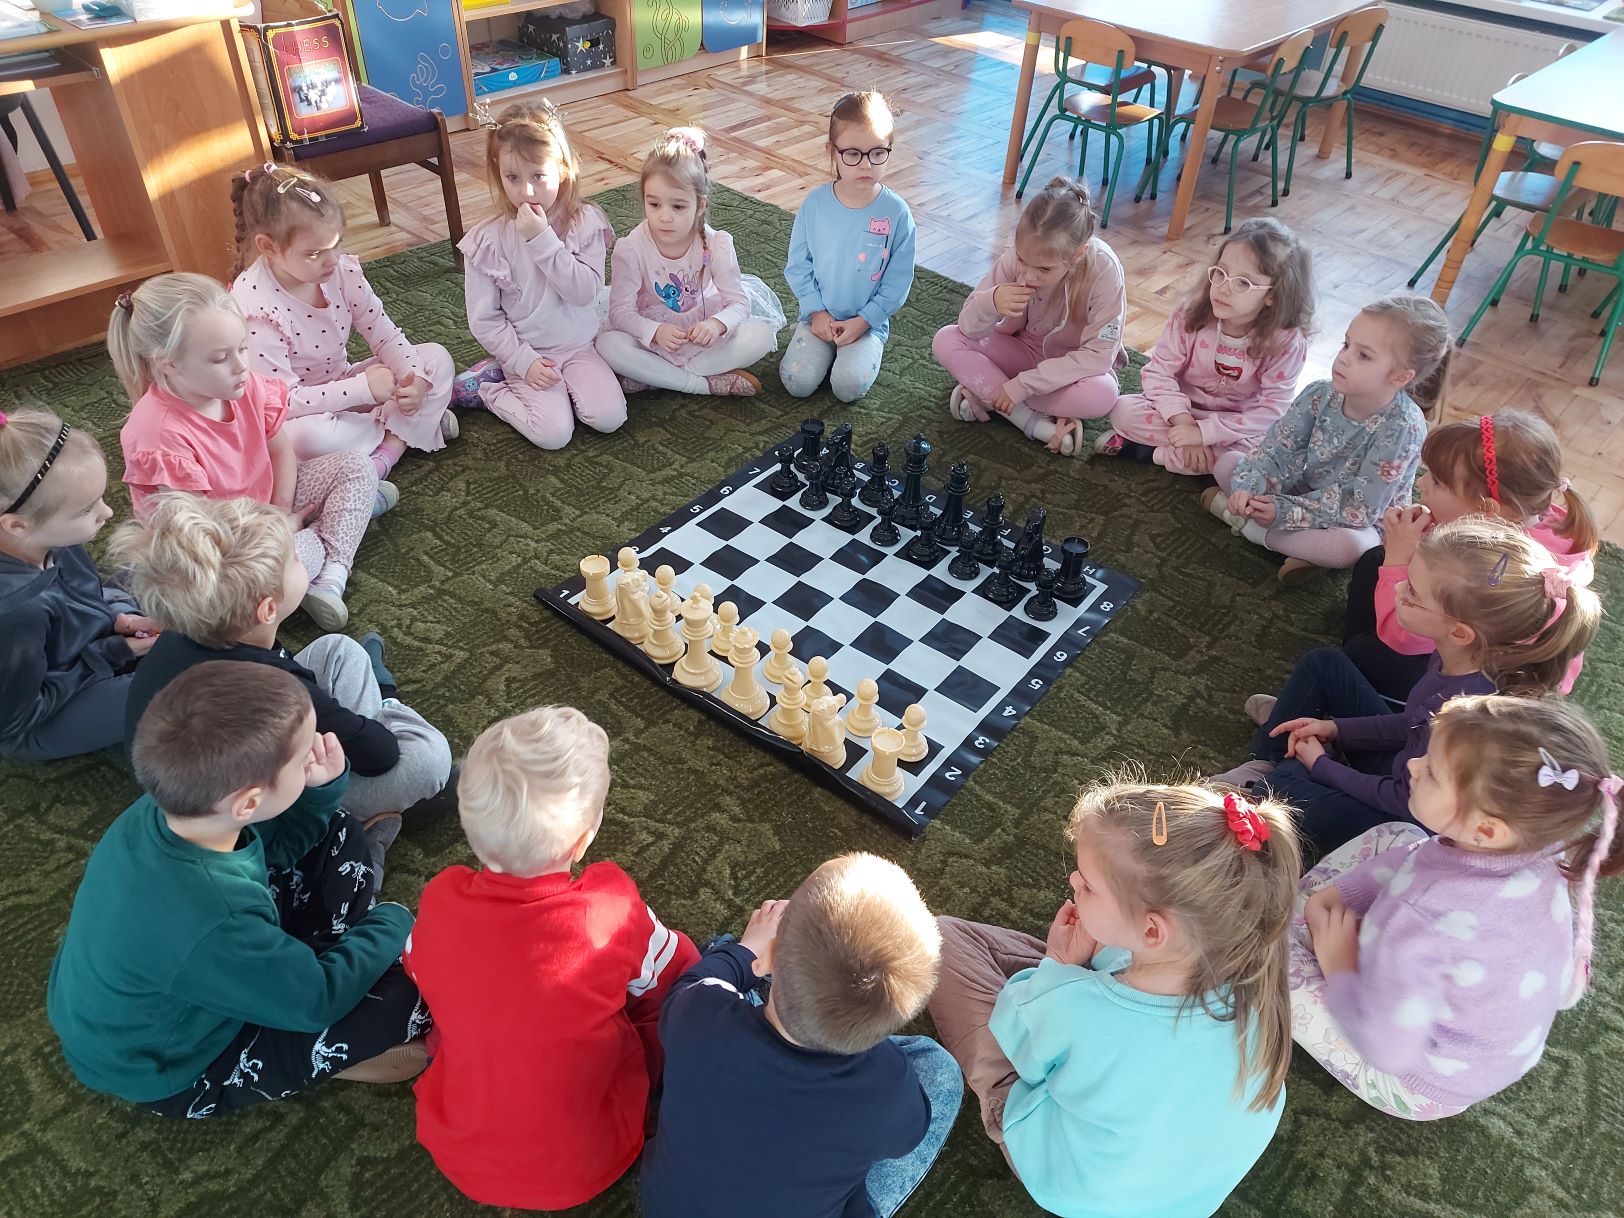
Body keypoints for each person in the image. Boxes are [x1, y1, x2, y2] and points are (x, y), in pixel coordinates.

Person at [46, 662, 428, 1118]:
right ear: (248, 802)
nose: (318, 748)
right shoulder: (209, 914)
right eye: (302, 755)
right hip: (172, 1066)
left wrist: (320, 790)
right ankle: (310, 1016)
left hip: (182, 981)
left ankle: (296, 969)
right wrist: (396, 919)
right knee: (415, 994)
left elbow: (277, 846)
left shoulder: (180, 810)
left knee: (338, 827)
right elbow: (316, 1002)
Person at [929, 776, 1299, 1218]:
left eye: (1087, 885)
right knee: (1090, 970)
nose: (1073, 881)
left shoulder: (1076, 1012)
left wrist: (1058, 964)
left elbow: (1024, 1051)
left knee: (941, 939)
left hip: (1071, 1185)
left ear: (1152, 931)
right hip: (1180, 1199)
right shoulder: (1256, 979)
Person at [403, 706, 699, 1210]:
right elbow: (677, 969)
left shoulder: (439, 900)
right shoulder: (610, 908)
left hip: (460, 1148)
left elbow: (416, 966)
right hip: (589, 1159)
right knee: (673, 1001)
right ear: (583, 841)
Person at [1290, 694, 1620, 1119]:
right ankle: (1306, 912)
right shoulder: (1540, 846)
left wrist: (1341, 965)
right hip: (1485, 1045)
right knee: (1401, 834)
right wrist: (1344, 896)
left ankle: (1291, 927)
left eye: (1431, 771)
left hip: (1418, 1079)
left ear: (1487, 828)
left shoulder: (1423, 914)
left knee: (1273, 956)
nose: (1413, 766)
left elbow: (1385, 1046)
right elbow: (1423, 857)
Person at [110, 494, 452, 878]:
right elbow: (383, 753)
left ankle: (378, 749)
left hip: (196, 777)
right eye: (294, 558)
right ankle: (384, 719)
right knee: (429, 759)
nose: (300, 557)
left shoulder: (196, 627)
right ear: (268, 608)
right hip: (261, 811)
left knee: (339, 650)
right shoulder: (274, 683)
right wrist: (364, 732)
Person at [1215, 517, 1602, 855]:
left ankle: (1279, 770)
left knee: (1288, 784)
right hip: (1405, 764)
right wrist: (1335, 728)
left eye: (1413, 591)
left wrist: (1322, 766)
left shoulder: (1467, 710)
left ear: (1460, 631)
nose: (1400, 589)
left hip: (1404, 815)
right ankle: (1268, 760)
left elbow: (1402, 796)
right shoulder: (1457, 657)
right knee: (1324, 664)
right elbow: (1408, 723)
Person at [641, 853, 963, 1218]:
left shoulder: (698, 1011)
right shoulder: (887, 1083)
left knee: (720, 950)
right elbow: (908, 1136)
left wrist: (745, 951)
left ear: (769, 956)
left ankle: (763, 983)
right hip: (835, 1148)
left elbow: (694, 981)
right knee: (939, 1067)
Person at [110, 272, 378, 630]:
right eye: (221, 358)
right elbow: (202, 537)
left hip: (262, 511)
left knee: (357, 467)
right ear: (168, 363)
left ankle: (331, 574)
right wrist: (277, 532)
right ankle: (329, 535)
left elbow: (280, 451)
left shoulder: (243, 385)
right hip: (219, 549)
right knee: (267, 578)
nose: (241, 366)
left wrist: (281, 512)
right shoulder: (158, 434)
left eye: (243, 348)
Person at [229, 162, 456, 494]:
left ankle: (382, 451)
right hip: (297, 413)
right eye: (314, 253)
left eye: (336, 244)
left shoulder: (340, 271)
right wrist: (363, 389)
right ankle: (403, 434)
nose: (332, 259)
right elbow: (284, 403)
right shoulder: (257, 310)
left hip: (342, 385)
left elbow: (385, 334)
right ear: (268, 246)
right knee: (306, 440)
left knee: (436, 359)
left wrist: (415, 378)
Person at [1342, 410, 1598, 703]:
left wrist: (1400, 555)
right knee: (1376, 560)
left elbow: (1402, 637)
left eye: (1438, 481)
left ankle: (1361, 676)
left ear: (1486, 509)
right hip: (1474, 647)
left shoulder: (1489, 571)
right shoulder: (1538, 520)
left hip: (1467, 691)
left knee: (1360, 652)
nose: (1421, 484)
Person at [1204, 293, 1447, 584]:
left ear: (1400, 377)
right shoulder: (1320, 393)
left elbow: (1360, 508)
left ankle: (1249, 526)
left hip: (1359, 520)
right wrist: (1250, 487)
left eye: (1363, 355)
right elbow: (1278, 448)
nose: (1343, 358)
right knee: (1228, 462)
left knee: (1351, 548)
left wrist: (1283, 511)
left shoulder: (1403, 427)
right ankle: (1291, 544)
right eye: (1346, 344)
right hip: (1304, 492)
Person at [460, 99, 624, 449]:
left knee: (609, 418)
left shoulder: (585, 222)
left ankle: (572, 390)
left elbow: (584, 292)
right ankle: (489, 388)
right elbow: (484, 320)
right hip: (528, 353)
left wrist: (542, 240)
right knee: (553, 435)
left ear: (562, 169)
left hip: (580, 346)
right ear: (497, 172)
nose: (526, 191)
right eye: (513, 178)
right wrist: (522, 361)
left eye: (539, 176)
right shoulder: (487, 240)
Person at [0, 409, 158, 760]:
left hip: (82, 650)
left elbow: (84, 597)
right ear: (17, 525)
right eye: (86, 509)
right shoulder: (14, 611)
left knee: (158, 562)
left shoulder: (50, 536)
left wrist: (118, 619)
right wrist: (114, 652)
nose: (108, 513)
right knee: (179, 684)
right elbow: (18, 715)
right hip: (37, 720)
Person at [1097, 217, 1314, 472]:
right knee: (1123, 411)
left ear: (1273, 295)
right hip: (1179, 413)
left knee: (1277, 452)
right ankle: (1207, 465)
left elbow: (1271, 409)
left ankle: (1152, 454)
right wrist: (1185, 425)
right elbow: (1159, 373)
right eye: (1220, 273)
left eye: (1243, 282)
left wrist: (1205, 435)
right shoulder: (1189, 314)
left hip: (1236, 427)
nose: (1223, 288)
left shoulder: (1287, 342)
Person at [934, 176, 1126, 456]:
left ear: (1078, 254)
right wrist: (991, 301)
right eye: (1023, 260)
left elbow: (1098, 356)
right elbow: (968, 328)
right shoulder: (1016, 257)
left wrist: (1022, 386)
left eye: (1044, 269)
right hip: (1022, 351)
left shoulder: (1104, 270)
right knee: (946, 339)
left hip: (1071, 370)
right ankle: (1029, 420)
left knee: (1103, 394)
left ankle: (988, 393)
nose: (1029, 275)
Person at [596, 127, 784, 398]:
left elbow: (739, 304)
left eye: (678, 206)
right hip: (654, 336)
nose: (664, 217)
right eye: (654, 204)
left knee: (761, 335)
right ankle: (701, 384)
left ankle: (656, 377)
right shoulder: (631, 249)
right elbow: (620, 312)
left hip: (703, 334)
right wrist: (655, 331)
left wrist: (716, 325)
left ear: (700, 205)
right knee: (608, 345)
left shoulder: (717, 244)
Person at [781, 91, 917, 404]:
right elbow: (798, 265)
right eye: (853, 154)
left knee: (847, 387)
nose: (866, 164)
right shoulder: (815, 204)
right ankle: (816, 341)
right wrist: (816, 312)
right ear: (833, 151)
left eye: (878, 153)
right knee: (797, 382)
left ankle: (856, 352)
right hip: (817, 318)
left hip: (866, 324)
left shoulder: (897, 214)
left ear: (890, 148)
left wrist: (865, 320)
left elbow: (897, 283)